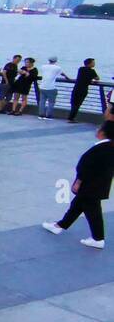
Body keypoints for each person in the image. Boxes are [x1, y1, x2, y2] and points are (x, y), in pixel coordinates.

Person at [42, 121, 114, 249]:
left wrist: (78, 182)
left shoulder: (98, 149)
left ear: (102, 133)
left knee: (92, 211)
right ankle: (60, 226)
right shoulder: (110, 147)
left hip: (90, 186)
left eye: (99, 127)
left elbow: (85, 167)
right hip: (100, 184)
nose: (97, 129)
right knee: (77, 205)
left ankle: (98, 238)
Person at [68, 58, 100, 123]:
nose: (94, 64)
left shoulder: (81, 69)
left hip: (76, 88)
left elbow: (83, 77)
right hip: (83, 89)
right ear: (90, 63)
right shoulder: (92, 71)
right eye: (93, 62)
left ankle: (70, 117)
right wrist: (91, 80)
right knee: (78, 104)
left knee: (74, 103)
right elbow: (97, 78)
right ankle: (71, 118)